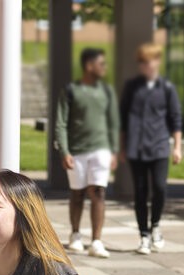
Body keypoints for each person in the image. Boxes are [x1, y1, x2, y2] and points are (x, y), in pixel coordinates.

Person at [54, 48, 119, 259]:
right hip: (77, 151)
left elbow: (113, 123)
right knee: (77, 193)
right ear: (89, 65)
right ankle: (75, 235)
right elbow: (61, 123)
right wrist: (64, 151)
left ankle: (97, 241)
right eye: (102, 64)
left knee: (99, 192)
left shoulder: (107, 92)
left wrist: (114, 151)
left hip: (101, 149)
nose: (105, 68)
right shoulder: (71, 91)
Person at [120, 43, 182, 255]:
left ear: (158, 62)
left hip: (159, 147)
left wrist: (178, 147)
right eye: (144, 62)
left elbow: (175, 119)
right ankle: (144, 235)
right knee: (139, 192)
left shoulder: (166, 88)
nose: (148, 65)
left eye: (151, 61)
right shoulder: (132, 88)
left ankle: (156, 224)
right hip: (136, 148)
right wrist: (121, 148)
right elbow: (122, 119)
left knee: (160, 188)